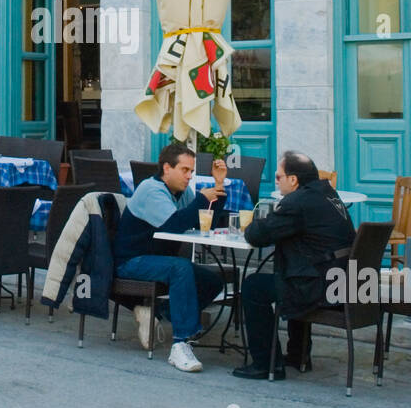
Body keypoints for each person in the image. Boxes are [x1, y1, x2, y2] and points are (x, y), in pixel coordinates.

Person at [233, 152, 356, 380]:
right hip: (343, 283)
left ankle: (266, 363)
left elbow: (258, 235)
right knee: (290, 274)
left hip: (320, 286)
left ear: (294, 180)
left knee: (253, 286)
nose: (276, 181)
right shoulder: (329, 195)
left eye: (279, 177)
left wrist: (253, 222)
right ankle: (298, 355)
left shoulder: (297, 202)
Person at [115, 142, 228, 373]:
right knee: (181, 268)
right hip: (132, 262)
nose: (189, 177)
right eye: (185, 170)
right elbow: (173, 225)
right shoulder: (151, 190)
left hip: (158, 262)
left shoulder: (180, 192)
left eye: (192, 172)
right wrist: (199, 199)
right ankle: (180, 344)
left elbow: (203, 221)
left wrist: (218, 185)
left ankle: (160, 313)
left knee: (213, 281)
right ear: (167, 168)